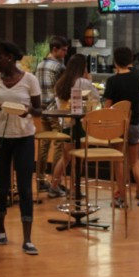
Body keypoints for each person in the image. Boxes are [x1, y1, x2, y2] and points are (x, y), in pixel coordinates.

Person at [0, 41, 43, 256]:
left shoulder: (30, 80)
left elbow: (39, 110)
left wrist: (27, 110)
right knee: (1, 186)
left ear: (9, 57)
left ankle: (27, 239)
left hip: (24, 137)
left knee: (25, 187)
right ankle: (0, 228)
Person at [104, 46, 139, 208]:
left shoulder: (112, 81)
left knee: (119, 161)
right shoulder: (138, 77)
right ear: (130, 60)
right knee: (135, 159)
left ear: (115, 61)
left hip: (118, 126)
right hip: (135, 123)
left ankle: (122, 198)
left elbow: (107, 108)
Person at [53, 54, 101, 196]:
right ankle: (75, 189)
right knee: (78, 158)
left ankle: (54, 185)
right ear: (82, 67)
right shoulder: (82, 82)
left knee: (66, 157)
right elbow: (96, 97)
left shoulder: (62, 81)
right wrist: (89, 80)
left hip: (66, 124)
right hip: (79, 124)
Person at [35, 36, 69, 191]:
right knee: (59, 144)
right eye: (63, 50)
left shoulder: (39, 65)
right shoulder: (59, 67)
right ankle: (55, 181)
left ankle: (40, 179)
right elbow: (63, 89)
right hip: (55, 109)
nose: (65, 54)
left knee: (44, 144)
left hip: (42, 108)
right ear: (55, 49)